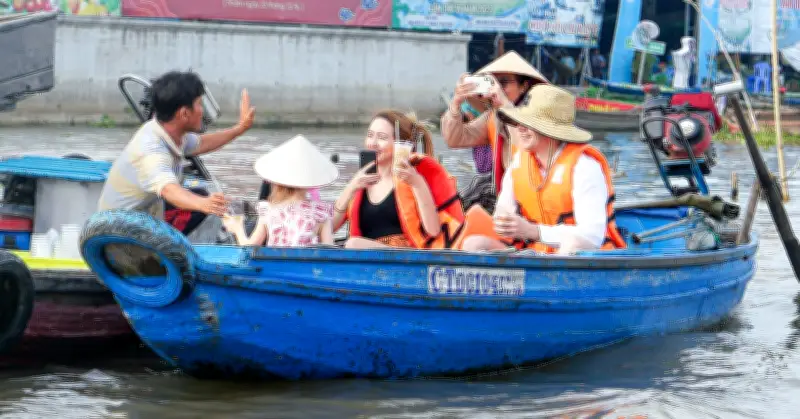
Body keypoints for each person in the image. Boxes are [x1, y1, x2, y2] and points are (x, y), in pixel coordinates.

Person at [460, 84, 627, 254]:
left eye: (529, 124)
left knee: (572, 245)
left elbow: (591, 237)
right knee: (473, 243)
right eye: (520, 122)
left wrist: (533, 231)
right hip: (534, 252)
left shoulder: (584, 167)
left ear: (552, 132)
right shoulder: (519, 162)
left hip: (581, 255)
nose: (520, 128)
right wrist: (504, 221)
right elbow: (504, 209)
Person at [97, 70, 255, 236]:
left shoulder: (168, 132)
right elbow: (169, 190)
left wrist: (240, 128)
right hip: (119, 236)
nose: (202, 111)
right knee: (207, 205)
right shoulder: (151, 150)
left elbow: (202, 143)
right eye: (199, 104)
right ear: (184, 113)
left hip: (138, 218)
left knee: (204, 196)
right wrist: (205, 204)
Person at [332, 110, 464, 249]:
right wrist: (351, 188)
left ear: (400, 143)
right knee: (348, 243)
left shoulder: (413, 178)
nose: (373, 143)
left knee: (353, 244)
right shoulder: (360, 181)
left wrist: (417, 183)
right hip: (365, 256)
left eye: (382, 138)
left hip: (405, 254)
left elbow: (433, 231)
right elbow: (329, 228)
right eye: (370, 135)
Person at [440, 51, 549, 203]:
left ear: (523, 86)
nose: (497, 88)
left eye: (503, 83)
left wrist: (505, 105)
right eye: (493, 83)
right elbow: (455, 139)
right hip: (509, 196)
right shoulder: (493, 117)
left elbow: (525, 152)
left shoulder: (538, 116)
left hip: (537, 196)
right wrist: (456, 103)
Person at [223, 135, 338, 247]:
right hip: (308, 260)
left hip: (275, 260)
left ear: (277, 183)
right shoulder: (321, 213)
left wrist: (237, 228)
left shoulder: (268, 211)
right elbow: (329, 251)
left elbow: (249, 247)